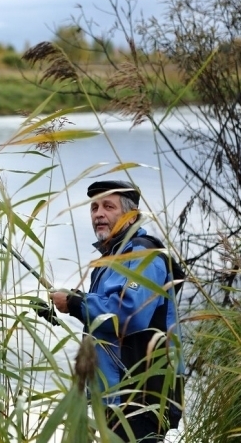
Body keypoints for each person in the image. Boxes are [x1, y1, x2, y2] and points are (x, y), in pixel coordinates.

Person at [49, 180, 184, 442]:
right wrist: (64, 305)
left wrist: (76, 303)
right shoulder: (109, 260)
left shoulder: (144, 255)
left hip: (142, 395)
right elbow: (102, 321)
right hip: (114, 396)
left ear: (130, 215)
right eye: (94, 207)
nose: (98, 214)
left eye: (108, 206)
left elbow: (128, 314)